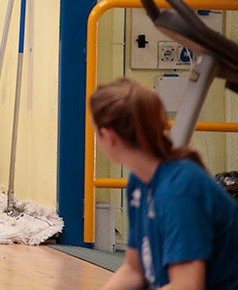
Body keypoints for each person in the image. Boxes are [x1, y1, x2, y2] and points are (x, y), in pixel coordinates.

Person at [89, 78, 238, 290]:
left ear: (109, 136)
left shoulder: (179, 191)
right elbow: (134, 270)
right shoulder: (139, 182)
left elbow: (186, 286)